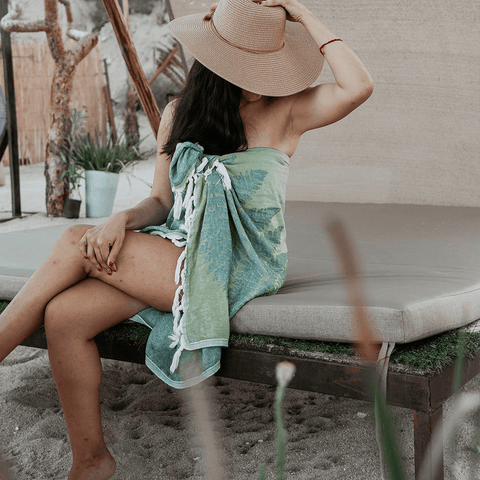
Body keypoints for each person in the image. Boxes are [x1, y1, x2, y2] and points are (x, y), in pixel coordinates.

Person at [0, 0, 373, 478]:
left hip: (239, 263)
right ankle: (91, 461)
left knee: (76, 240)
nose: (263, 79)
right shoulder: (179, 113)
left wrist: (301, 15)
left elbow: (359, 84)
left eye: (269, 64)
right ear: (218, 64)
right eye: (248, 66)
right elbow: (160, 201)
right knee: (65, 316)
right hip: (180, 246)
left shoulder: (289, 111)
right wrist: (121, 220)